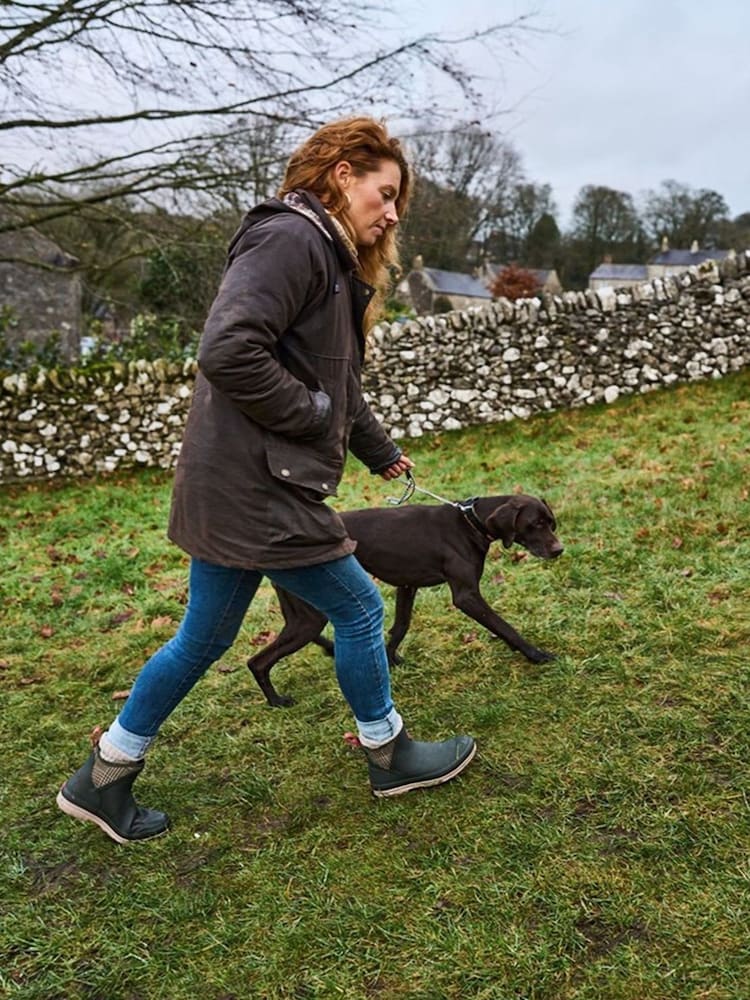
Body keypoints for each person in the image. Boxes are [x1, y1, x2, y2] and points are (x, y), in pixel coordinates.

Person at [56, 116, 476, 844]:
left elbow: (334, 383)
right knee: (358, 609)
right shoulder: (292, 238)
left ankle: (104, 776)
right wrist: (314, 418)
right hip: (260, 489)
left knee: (202, 638)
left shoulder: (330, 256)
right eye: (384, 192)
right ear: (342, 173)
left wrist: (378, 451)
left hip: (238, 484)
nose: (394, 211)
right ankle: (389, 753)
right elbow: (230, 349)